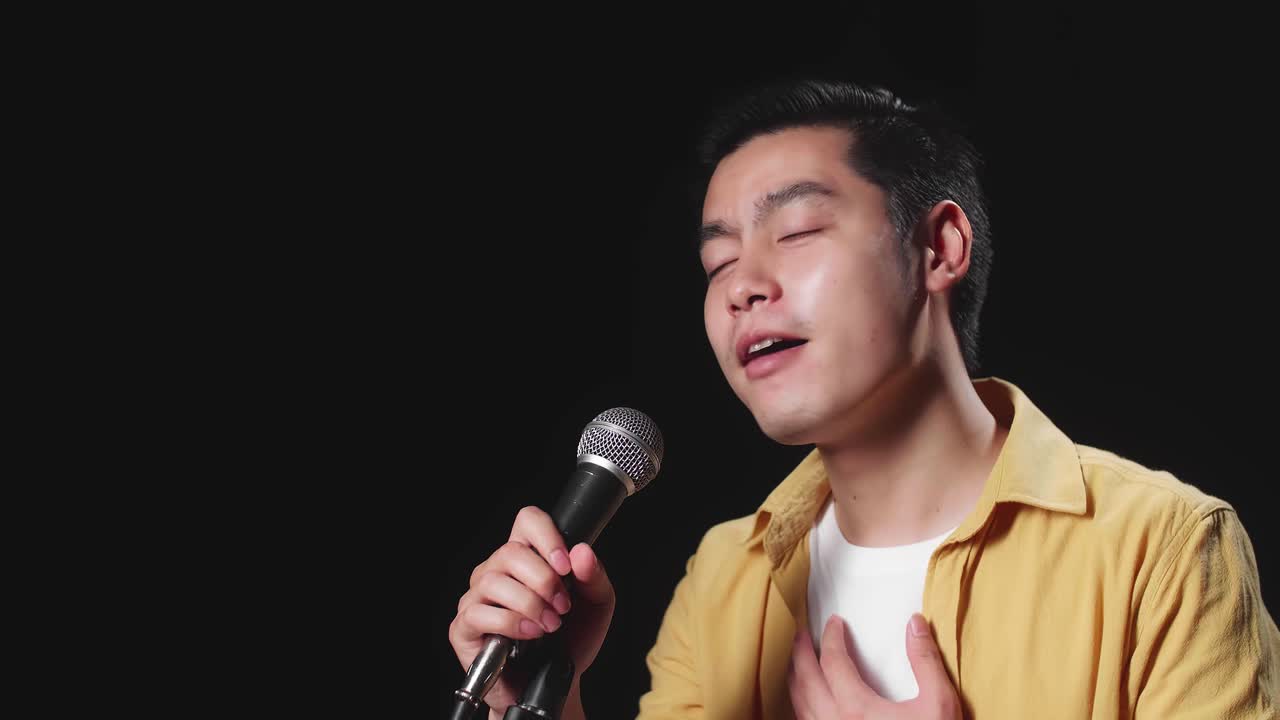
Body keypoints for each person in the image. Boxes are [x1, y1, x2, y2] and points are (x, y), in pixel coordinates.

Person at [447, 78, 1280, 719]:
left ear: (939, 247)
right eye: (716, 264)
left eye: (797, 232)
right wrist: (543, 700)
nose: (742, 288)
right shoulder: (725, 577)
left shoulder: (1162, 549)